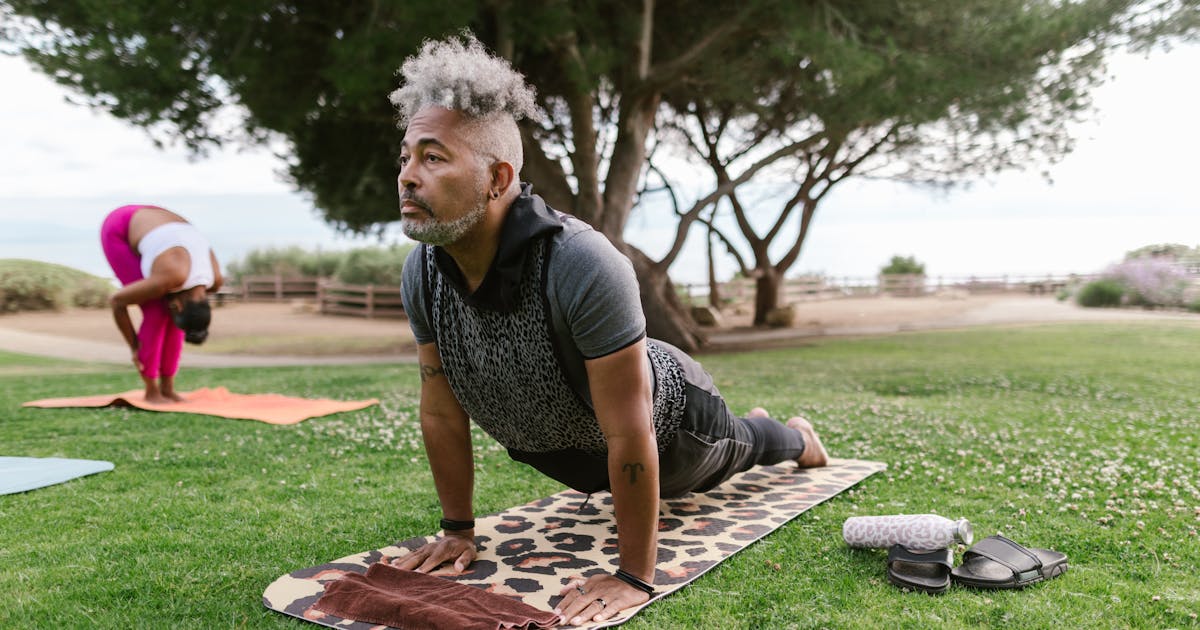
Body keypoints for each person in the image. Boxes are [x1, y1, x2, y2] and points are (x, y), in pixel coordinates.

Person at [389, 36, 828, 626]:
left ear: (498, 178)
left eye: (433, 157)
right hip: (583, 457)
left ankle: (797, 437)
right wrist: (458, 529)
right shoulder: (423, 272)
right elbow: (441, 412)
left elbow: (630, 431)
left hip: (675, 430)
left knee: (744, 447)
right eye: (406, 156)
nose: (408, 177)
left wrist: (632, 576)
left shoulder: (583, 263)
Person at [101, 205, 222, 403]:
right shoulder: (170, 276)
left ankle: (168, 388)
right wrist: (134, 346)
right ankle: (152, 391)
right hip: (120, 227)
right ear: (180, 307)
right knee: (156, 310)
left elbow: (188, 300)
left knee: (165, 308)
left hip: (160, 222)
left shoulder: (214, 281)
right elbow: (117, 301)